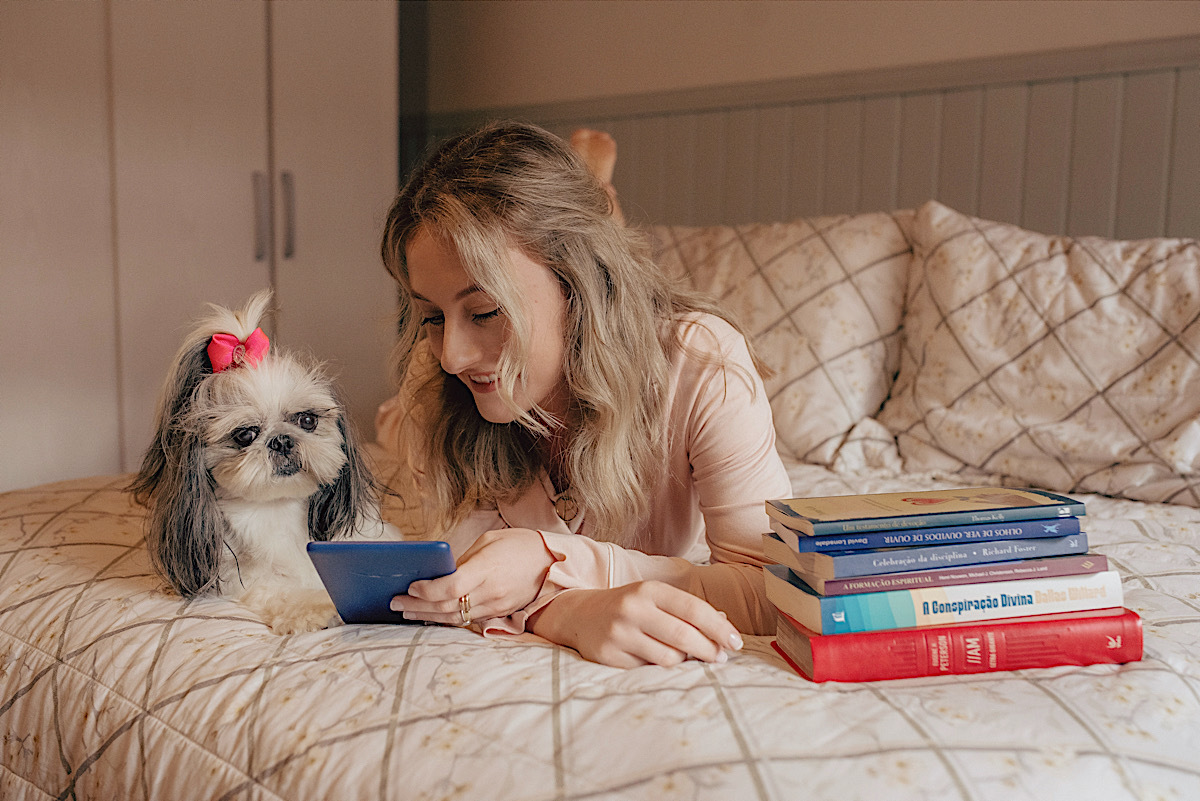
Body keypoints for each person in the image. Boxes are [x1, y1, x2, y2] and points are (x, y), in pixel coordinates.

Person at [374, 120, 791, 668]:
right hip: (406, 420)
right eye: (430, 315)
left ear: (578, 284)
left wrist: (551, 558)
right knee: (391, 424)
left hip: (616, 324)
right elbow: (476, 578)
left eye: (484, 312)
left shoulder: (700, 363)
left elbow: (776, 590)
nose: (452, 354)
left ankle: (600, 199)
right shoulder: (434, 380)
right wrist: (569, 614)